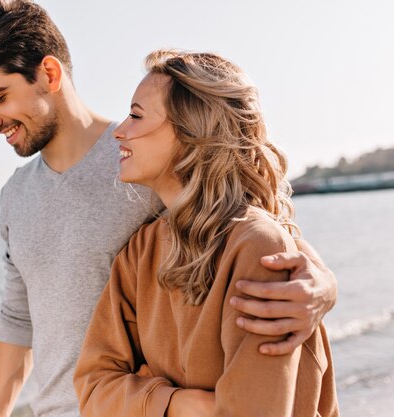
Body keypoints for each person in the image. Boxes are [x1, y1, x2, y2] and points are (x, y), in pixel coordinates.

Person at [0, 2, 338, 417]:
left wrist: (322, 284)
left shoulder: (146, 157)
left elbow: (255, 223)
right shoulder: (16, 195)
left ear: (48, 74)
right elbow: (18, 317)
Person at [74, 50, 338, 417]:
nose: (119, 130)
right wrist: (180, 403)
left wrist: (139, 391)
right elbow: (93, 387)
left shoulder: (258, 247)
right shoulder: (141, 250)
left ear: (193, 131)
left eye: (136, 115)